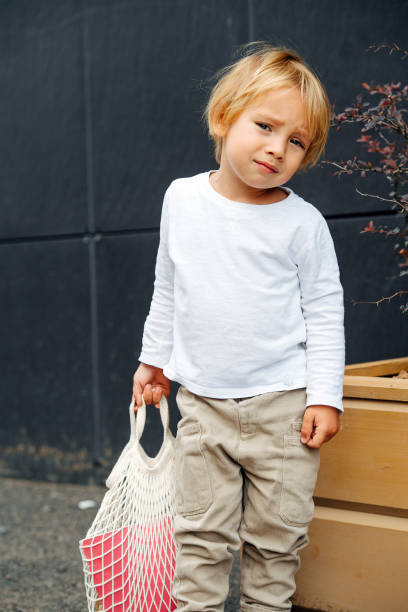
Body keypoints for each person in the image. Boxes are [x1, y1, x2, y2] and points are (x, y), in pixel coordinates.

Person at [132, 41, 345, 612]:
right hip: (202, 404)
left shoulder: (303, 223)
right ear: (225, 117)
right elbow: (168, 286)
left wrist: (325, 397)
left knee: (277, 542)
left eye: (296, 141)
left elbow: (325, 312)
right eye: (266, 125)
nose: (277, 148)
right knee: (200, 537)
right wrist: (153, 360)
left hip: (284, 412)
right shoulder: (182, 200)